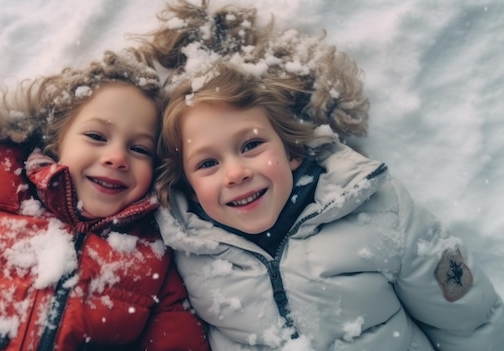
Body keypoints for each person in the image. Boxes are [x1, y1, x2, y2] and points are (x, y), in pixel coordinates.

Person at [138, 1, 504, 350]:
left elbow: (468, 320)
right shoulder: (189, 250)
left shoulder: (377, 211)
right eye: (207, 164)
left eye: (250, 146)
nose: (235, 173)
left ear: (292, 151)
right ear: (188, 185)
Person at [0, 50, 210, 351]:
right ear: (57, 140)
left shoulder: (153, 247)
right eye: (96, 136)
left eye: (139, 149)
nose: (117, 157)